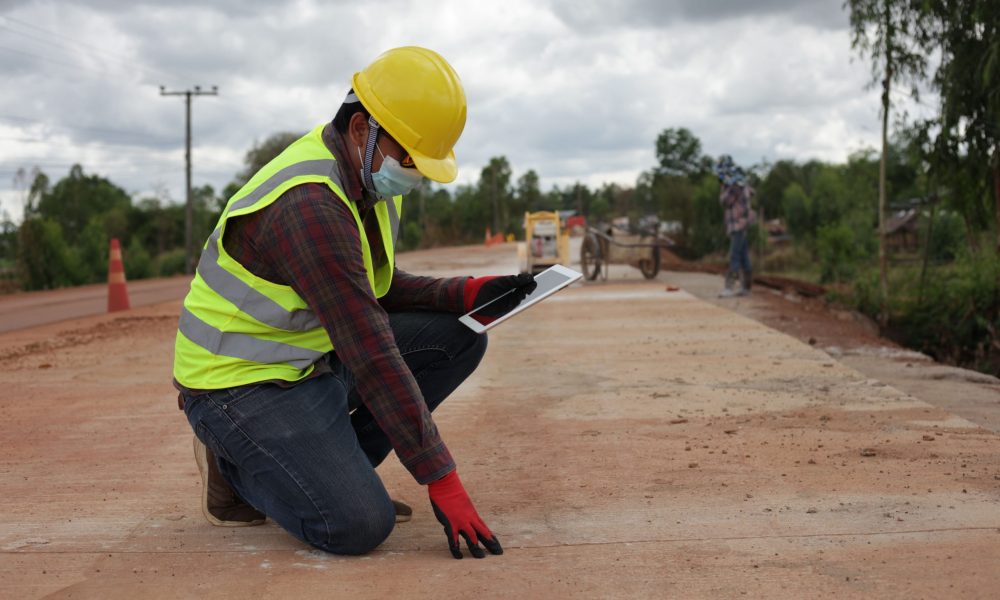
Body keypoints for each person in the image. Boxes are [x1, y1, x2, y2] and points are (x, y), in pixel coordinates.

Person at [171, 46, 536, 560]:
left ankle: (324, 474)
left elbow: (373, 289)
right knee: (358, 525)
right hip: (238, 385)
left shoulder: (366, 178)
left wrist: (467, 292)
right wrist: (441, 477)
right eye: (410, 158)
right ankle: (234, 468)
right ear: (362, 128)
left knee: (459, 335)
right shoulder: (309, 204)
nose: (415, 174)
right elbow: (370, 348)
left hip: (305, 362)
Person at [716, 158, 755, 297]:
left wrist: (724, 188)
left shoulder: (734, 187)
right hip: (743, 224)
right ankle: (746, 288)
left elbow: (724, 201)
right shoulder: (742, 184)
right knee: (744, 256)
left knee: (734, 256)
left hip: (738, 225)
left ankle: (729, 288)